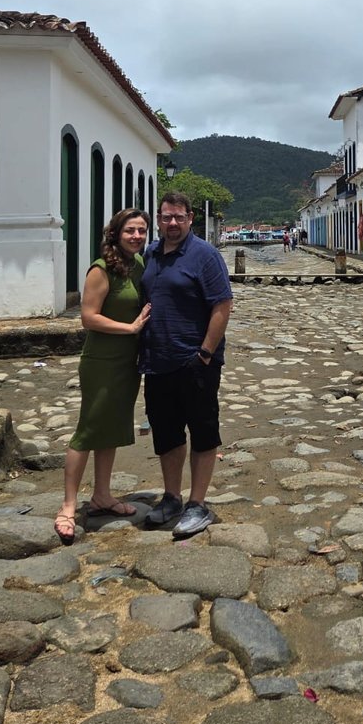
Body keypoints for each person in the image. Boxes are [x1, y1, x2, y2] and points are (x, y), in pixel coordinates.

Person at [55, 209, 151, 545]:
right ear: (115, 233)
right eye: (130, 230)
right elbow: (88, 317)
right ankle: (68, 506)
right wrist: (130, 327)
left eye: (142, 231)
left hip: (128, 361)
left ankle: (102, 495)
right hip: (102, 360)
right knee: (90, 429)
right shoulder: (101, 269)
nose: (137, 236)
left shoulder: (137, 265)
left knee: (112, 428)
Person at [140, 191, 234, 537]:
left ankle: (197, 503)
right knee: (166, 433)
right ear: (159, 218)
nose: (173, 223)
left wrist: (205, 354)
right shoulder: (150, 253)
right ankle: (171, 497)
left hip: (196, 362)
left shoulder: (205, 256)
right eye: (166, 217)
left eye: (179, 217)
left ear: (190, 218)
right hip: (158, 360)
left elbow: (222, 305)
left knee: (203, 431)